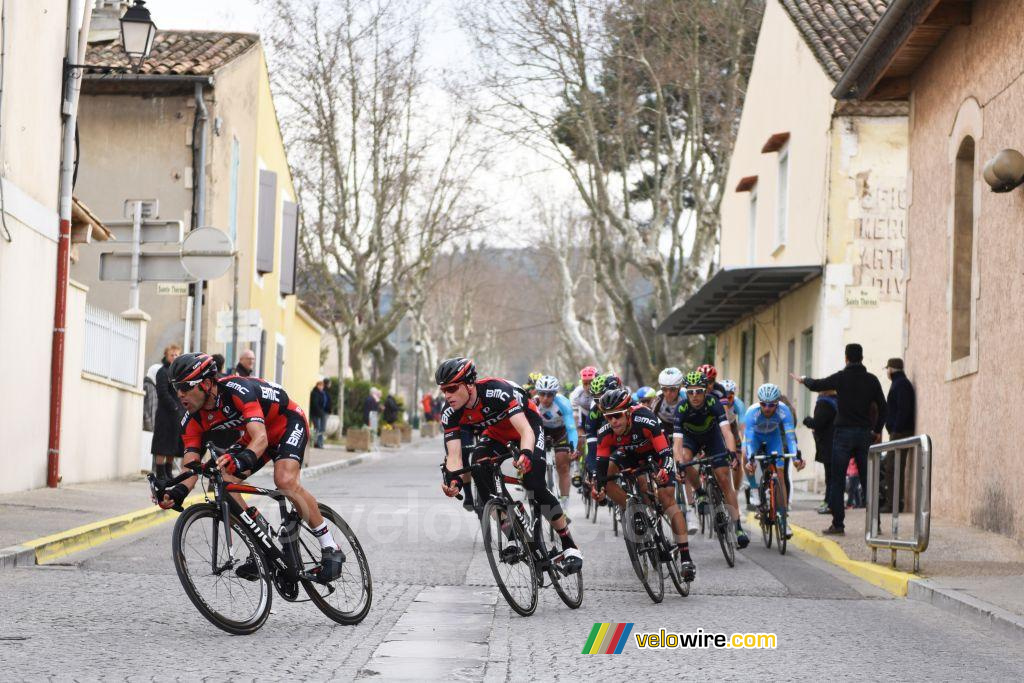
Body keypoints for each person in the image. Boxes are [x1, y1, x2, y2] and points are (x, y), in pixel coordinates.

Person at [156, 352, 344, 582]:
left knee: (284, 480)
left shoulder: (237, 390)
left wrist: (241, 460)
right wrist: (176, 492)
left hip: (286, 423)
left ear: (206, 384)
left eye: (185, 387)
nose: (180, 394)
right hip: (256, 435)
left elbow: (261, 439)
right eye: (176, 387)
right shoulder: (192, 419)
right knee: (222, 479)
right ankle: (261, 538)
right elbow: (191, 467)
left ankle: (330, 546)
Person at [437, 358, 582, 574]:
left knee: (534, 483)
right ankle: (514, 537)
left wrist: (525, 455)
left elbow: (525, 431)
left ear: (469, 385)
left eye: (451, 388)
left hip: (527, 427)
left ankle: (569, 545)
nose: (447, 395)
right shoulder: (449, 412)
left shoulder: (497, 391)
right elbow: (455, 456)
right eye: (443, 390)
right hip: (496, 434)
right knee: (478, 468)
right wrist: (455, 480)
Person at [591, 388, 696, 581]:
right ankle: (635, 510)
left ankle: (685, 558)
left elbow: (665, 454)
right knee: (607, 475)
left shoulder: (645, 419)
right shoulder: (605, 432)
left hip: (655, 455)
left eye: (617, 416)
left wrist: (664, 471)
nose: (613, 421)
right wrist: (598, 488)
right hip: (629, 457)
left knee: (666, 500)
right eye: (608, 417)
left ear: (628, 412)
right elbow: (600, 467)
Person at [794, 343, 886, 536]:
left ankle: (838, 524)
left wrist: (803, 380)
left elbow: (818, 384)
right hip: (863, 434)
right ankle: (875, 524)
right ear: (862, 358)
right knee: (867, 479)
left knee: (837, 480)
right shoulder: (872, 380)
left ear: (846, 358)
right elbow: (883, 407)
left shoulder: (841, 378)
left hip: (842, 434)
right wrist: (876, 430)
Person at [672, 370, 749, 549]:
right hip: (691, 440)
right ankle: (699, 492)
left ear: (705, 391)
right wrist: (679, 465)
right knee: (684, 458)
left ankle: (738, 528)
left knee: (724, 479)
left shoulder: (713, 403)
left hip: (712, 438)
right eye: (690, 392)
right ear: (686, 392)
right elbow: (677, 442)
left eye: (698, 391)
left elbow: (727, 432)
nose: (695, 396)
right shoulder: (681, 408)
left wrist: (731, 453)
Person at [743, 383, 806, 538]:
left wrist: (796, 457)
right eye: (763, 404)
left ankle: (784, 522)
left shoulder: (784, 411)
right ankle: (754, 490)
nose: (767, 408)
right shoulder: (752, 412)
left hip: (773, 437)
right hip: (755, 438)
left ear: (777, 403)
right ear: (759, 402)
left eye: (771, 405)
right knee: (745, 455)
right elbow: (749, 440)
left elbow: (791, 438)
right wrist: (751, 460)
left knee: (780, 475)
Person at [534, 375, 579, 513]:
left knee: (562, 465)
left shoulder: (563, 404)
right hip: (541, 431)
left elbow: (571, 428)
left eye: (549, 395)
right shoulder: (533, 404)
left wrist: (573, 448)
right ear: (537, 393)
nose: (545, 398)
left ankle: (564, 503)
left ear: (555, 394)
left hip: (560, 432)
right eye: (542, 394)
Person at [882, 358, 916, 513]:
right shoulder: (899, 383)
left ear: (891, 369)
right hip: (898, 432)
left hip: (900, 433)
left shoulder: (901, 384)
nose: (887, 372)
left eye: (887, 368)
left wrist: (896, 429)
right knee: (893, 467)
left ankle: (893, 504)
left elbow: (904, 409)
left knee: (893, 468)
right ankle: (894, 502)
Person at [151, 344, 185, 482]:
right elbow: (162, 393)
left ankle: (169, 472)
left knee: (174, 445)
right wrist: (175, 407)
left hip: (177, 415)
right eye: (172, 355)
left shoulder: (178, 372)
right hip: (165, 415)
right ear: (166, 355)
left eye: (177, 355)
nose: (175, 357)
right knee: (162, 446)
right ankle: (160, 474)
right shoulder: (162, 372)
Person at [804, 390, 839, 515]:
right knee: (833, 475)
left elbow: (818, 423)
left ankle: (829, 503)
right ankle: (830, 502)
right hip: (836, 443)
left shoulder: (824, 403)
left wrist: (807, 420)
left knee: (830, 476)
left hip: (827, 444)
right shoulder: (837, 401)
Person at [309, 378, 329, 448]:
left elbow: (324, 402)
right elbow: (315, 404)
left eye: (322, 386)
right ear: (317, 386)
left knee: (322, 429)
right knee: (317, 428)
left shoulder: (322, 393)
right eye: (320, 386)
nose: (321, 387)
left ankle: (320, 443)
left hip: (321, 413)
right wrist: (320, 412)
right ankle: (315, 443)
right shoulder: (315, 393)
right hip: (315, 414)